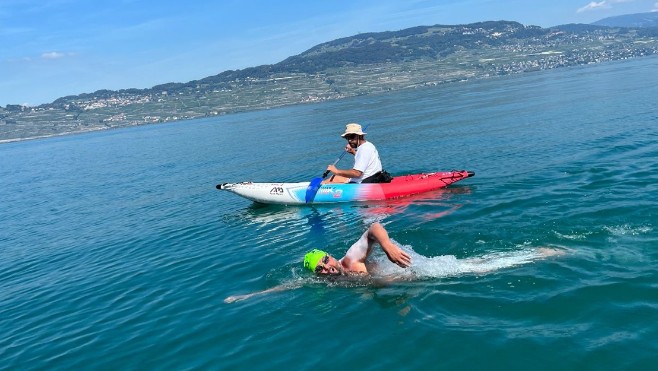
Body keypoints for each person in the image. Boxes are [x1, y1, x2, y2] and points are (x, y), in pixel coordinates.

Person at [224, 222, 411, 303]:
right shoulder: (327, 281)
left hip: (407, 275)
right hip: (391, 289)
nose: (327, 268)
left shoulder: (350, 260)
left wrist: (387, 246)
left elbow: (374, 228)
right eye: (320, 269)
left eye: (325, 261)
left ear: (330, 255)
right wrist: (247, 297)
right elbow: (287, 286)